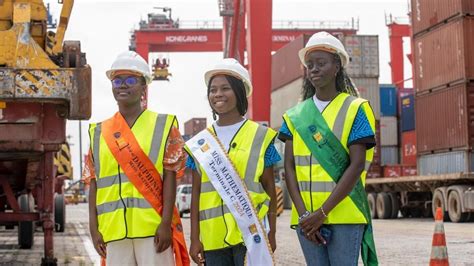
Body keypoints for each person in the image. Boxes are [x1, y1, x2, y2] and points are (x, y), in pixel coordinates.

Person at [278, 32, 378, 266]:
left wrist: (321, 214)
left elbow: (356, 165)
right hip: (306, 219)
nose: (314, 69)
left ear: (337, 67)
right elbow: (289, 168)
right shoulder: (294, 116)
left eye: (321, 63)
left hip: (345, 214)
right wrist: (305, 216)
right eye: (310, 65)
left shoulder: (356, 109)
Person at [83, 51, 190, 266]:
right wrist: (94, 229)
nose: (123, 85)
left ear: (144, 87)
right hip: (113, 231)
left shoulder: (164, 126)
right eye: (117, 80)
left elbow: (171, 177)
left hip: (153, 229)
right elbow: (93, 183)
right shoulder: (98, 132)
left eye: (131, 80)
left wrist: (166, 223)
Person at [185, 58, 280, 266]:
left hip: (251, 235)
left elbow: (270, 190)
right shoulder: (200, 143)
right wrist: (194, 239)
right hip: (213, 238)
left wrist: (271, 231)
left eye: (225, 88)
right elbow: (196, 195)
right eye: (213, 89)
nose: (217, 94)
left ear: (239, 91)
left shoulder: (261, 136)